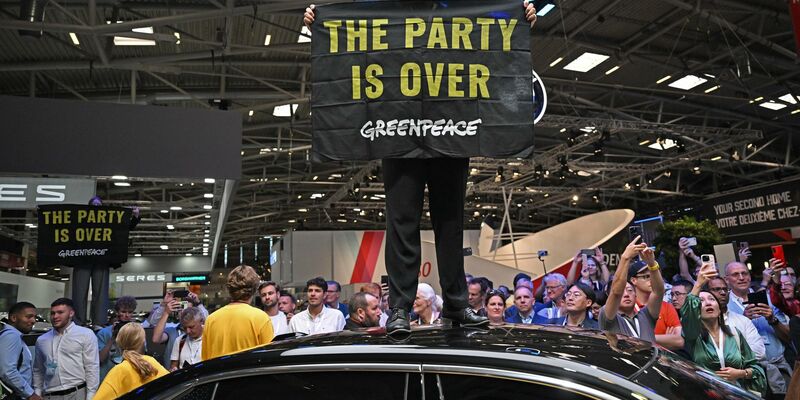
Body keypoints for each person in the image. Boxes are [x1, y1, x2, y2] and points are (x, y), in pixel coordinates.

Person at [303, 1, 538, 335]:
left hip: (451, 131)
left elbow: (494, 38)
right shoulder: (386, 12)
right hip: (399, 132)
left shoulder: (458, 12)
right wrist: (323, 25)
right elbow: (352, 42)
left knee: (451, 223)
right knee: (402, 224)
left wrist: (520, 17)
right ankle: (399, 309)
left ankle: (456, 305)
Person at [680, 263, 766, 396]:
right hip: (707, 395)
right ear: (696, 309)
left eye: (711, 299)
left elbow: (756, 368)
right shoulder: (693, 335)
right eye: (701, 301)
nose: (708, 302)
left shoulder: (734, 333)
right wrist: (698, 284)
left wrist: (741, 373)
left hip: (738, 394)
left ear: (719, 307)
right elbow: (687, 312)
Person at [726, 261, 793, 396]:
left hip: (779, 369)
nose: (741, 277)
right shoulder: (725, 306)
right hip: (749, 375)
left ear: (750, 277)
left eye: (744, 273)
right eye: (735, 274)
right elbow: (725, 342)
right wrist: (743, 320)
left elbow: (789, 337)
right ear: (726, 280)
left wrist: (772, 319)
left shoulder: (769, 298)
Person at [72, 196, 140, 327]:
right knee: (79, 291)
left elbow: (124, 228)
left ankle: (99, 322)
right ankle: (78, 323)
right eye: (93, 204)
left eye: (98, 204)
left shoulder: (109, 220)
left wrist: (135, 217)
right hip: (82, 257)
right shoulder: (79, 219)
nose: (96, 207)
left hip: (101, 258)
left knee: (101, 292)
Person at [599, 236, 663, 344]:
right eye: (623, 291)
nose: (626, 294)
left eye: (629, 290)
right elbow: (616, 292)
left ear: (636, 295)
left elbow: (658, 291)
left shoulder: (647, 315)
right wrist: (625, 258)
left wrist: (652, 264)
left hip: (650, 361)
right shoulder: (608, 317)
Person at [202, 265, 274, 360]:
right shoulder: (261, 318)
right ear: (254, 289)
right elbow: (269, 358)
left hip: (218, 374)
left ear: (230, 289)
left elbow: (205, 361)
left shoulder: (211, 319)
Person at [33, 298, 99, 400]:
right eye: (53, 313)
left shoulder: (85, 334)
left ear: (71, 313)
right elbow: (38, 369)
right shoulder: (42, 340)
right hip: (50, 395)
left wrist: (91, 396)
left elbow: (92, 367)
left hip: (77, 393)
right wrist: (37, 393)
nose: (55, 316)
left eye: (60, 312)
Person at [94, 323, 168, 400]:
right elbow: (173, 385)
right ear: (143, 342)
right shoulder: (151, 362)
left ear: (118, 343)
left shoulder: (119, 370)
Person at [706, 276, 766, 362]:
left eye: (725, 289)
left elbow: (760, 352)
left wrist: (728, 360)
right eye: (716, 289)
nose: (723, 292)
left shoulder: (743, 320)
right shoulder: (701, 322)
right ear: (706, 293)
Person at [628, 261, 684, 351]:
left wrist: (640, 337)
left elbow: (679, 341)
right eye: (646, 276)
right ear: (634, 280)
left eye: (653, 276)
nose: (652, 280)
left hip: (662, 361)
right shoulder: (626, 307)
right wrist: (665, 339)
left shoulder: (667, 307)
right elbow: (625, 341)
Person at [151, 290, 207, 368]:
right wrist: (165, 309)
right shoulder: (173, 330)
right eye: (181, 307)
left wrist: (198, 303)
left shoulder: (206, 333)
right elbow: (156, 338)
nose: (184, 312)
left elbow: (206, 322)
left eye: (188, 309)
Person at [0, 302, 41, 400]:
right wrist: (30, 394)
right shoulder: (11, 336)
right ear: (14, 318)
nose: (33, 321)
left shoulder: (15, 336)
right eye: (28, 317)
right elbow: (7, 371)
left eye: (34, 317)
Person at [97, 296, 137, 382]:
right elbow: (100, 359)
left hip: (128, 377)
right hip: (107, 378)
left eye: (130, 312)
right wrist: (113, 337)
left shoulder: (137, 332)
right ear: (117, 312)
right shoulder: (103, 333)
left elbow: (140, 356)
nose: (126, 315)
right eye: (123, 312)